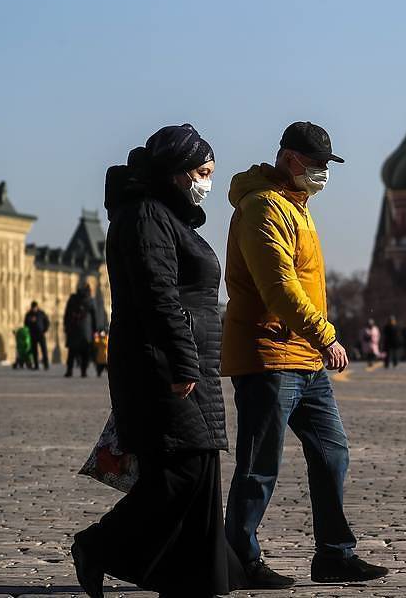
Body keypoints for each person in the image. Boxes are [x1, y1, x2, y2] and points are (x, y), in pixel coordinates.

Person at [72, 124, 242, 597]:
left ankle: (195, 576)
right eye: (203, 172)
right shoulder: (146, 216)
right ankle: (99, 545)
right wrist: (183, 361)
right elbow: (158, 296)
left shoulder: (167, 215)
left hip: (188, 362)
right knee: (180, 471)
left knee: (199, 465)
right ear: (177, 172)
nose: (207, 182)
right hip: (161, 366)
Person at [220, 121, 387, 587]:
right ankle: (239, 559)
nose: (321, 174)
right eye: (315, 164)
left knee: (332, 453)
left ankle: (334, 554)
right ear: (290, 159)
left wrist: (315, 343)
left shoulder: (297, 205)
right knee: (259, 465)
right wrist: (325, 334)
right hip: (271, 354)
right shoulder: (263, 208)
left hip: (304, 359)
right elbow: (280, 287)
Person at [64, 284, 97, 377]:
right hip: (86, 331)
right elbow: (94, 317)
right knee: (85, 352)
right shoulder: (89, 300)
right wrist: (94, 330)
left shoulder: (72, 299)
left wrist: (66, 327)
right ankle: (83, 371)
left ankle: (69, 370)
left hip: (73, 329)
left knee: (72, 352)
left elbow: (66, 314)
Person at [24, 301, 51, 371]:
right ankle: (36, 365)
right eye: (33, 308)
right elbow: (25, 323)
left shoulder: (41, 313)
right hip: (33, 334)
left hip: (41, 334)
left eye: (35, 308)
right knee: (34, 351)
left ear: (37, 307)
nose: (34, 309)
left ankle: (46, 365)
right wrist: (30, 321)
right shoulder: (29, 314)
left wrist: (44, 330)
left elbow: (47, 322)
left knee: (44, 350)